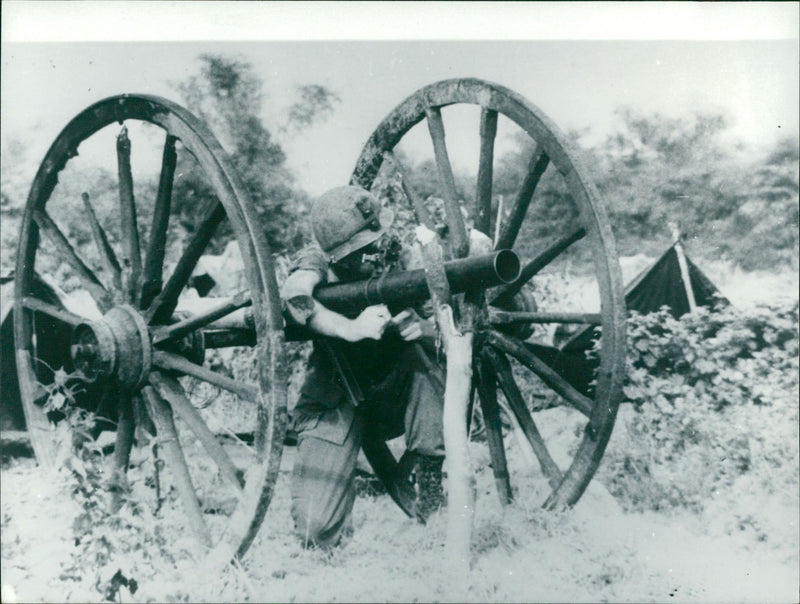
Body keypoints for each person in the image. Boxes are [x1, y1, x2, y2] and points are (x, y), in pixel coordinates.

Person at [281, 185, 448, 549]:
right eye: (362, 249)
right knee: (315, 529)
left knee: (423, 356)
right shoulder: (317, 260)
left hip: (394, 395)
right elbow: (295, 297)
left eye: (377, 240)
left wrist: (424, 329)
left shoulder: (395, 255)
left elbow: (445, 325)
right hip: (337, 396)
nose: (374, 253)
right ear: (338, 253)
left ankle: (430, 479)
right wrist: (351, 329)